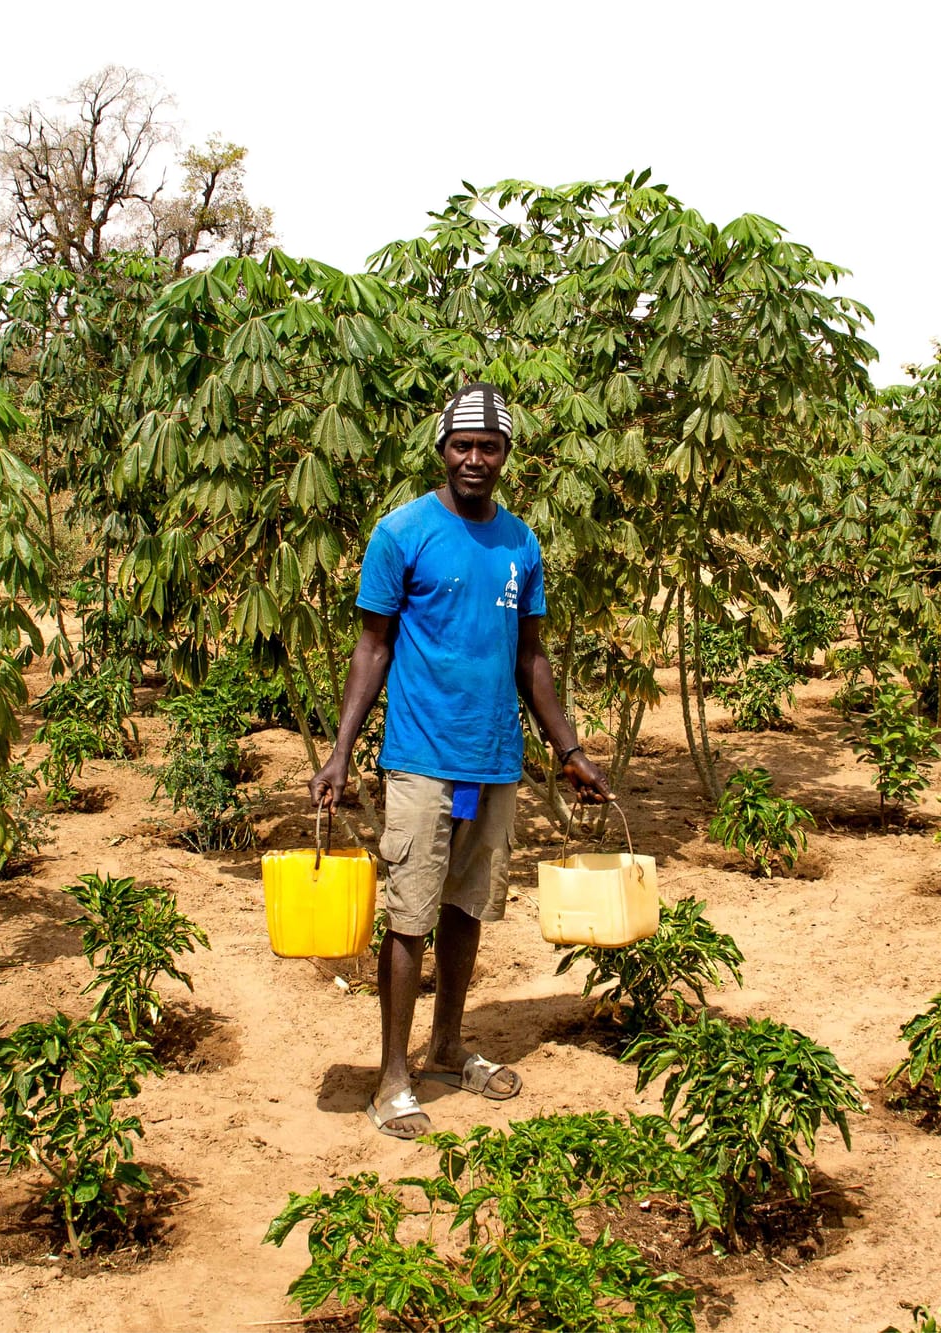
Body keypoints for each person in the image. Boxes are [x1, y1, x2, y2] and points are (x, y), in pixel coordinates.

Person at [309, 382, 610, 1139]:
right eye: (462, 446)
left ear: (507, 455)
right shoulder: (403, 532)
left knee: (467, 907)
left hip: (492, 764)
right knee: (409, 919)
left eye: (490, 446)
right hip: (420, 759)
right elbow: (372, 647)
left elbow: (530, 659)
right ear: (442, 450)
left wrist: (567, 748)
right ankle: (392, 1078)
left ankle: (446, 1047)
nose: (475, 458)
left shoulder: (521, 543)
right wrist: (341, 751)